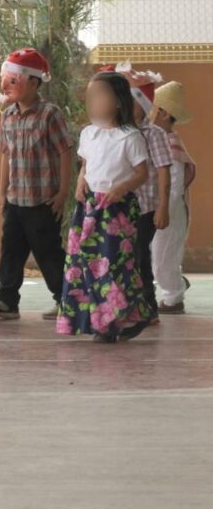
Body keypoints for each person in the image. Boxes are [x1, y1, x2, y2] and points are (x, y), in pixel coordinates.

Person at [0, 49, 74, 322]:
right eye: (5, 80)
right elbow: (6, 156)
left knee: (48, 252)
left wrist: (62, 192)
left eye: (14, 80)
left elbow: (65, 151)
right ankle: (6, 300)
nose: (6, 86)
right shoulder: (8, 115)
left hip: (42, 200)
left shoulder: (49, 114)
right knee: (11, 250)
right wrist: (2, 194)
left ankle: (67, 299)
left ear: (33, 82)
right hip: (15, 200)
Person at [57, 71, 152, 343]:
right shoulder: (89, 133)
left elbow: (142, 173)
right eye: (90, 97)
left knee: (112, 265)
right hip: (89, 208)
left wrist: (122, 188)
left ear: (119, 101)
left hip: (116, 211)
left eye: (99, 96)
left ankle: (114, 322)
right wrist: (80, 181)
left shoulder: (130, 137)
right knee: (85, 263)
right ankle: (98, 320)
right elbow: (85, 165)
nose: (93, 102)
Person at [117, 65, 171, 319]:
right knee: (124, 257)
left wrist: (163, 207)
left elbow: (163, 171)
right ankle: (128, 305)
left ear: (143, 105)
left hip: (145, 208)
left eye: (131, 100)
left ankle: (147, 307)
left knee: (138, 257)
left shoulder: (154, 134)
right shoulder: (118, 133)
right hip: (121, 208)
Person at [149, 81, 196, 314]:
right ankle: (175, 282)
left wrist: (162, 209)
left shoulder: (172, 147)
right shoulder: (156, 141)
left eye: (150, 107)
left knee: (163, 257)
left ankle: (174, 297)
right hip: (155, 210)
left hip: (168, 212)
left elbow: (174, 186)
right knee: (157, 256)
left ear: (164, 113)